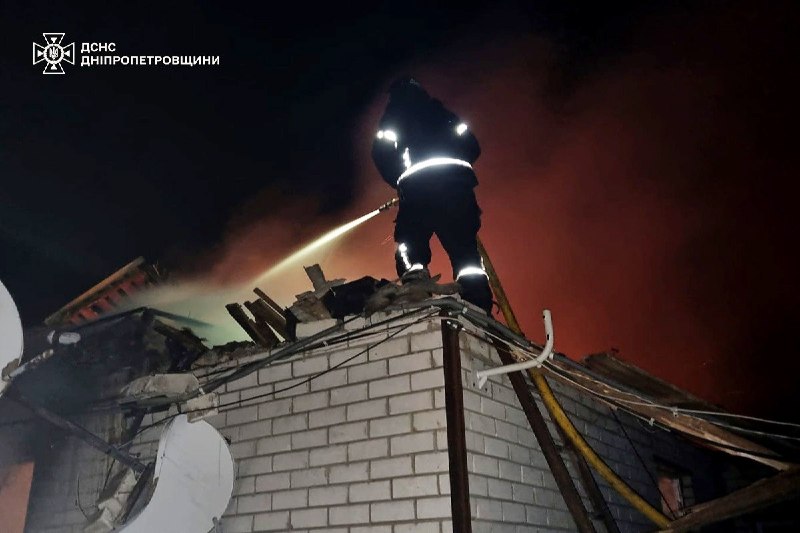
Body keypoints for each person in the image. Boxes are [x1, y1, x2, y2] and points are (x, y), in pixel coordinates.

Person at [371, 77, 494, 314]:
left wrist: (400, 179)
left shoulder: (393, 117)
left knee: (411, 242)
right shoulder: (443, 114)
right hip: (457, 190)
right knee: (465, 251)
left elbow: (381, 155)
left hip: (417, 191)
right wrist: (455, 169)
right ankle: (478, 305)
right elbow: (473, 147)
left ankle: (415, 289)